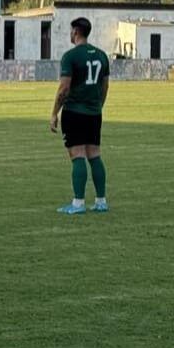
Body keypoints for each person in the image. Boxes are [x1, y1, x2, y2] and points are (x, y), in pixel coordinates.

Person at [50, 17, 111, 215]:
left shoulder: (70, 57)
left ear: (76, 32)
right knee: (94, 154)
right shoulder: (102, 56)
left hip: (75, 112)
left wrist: (54, 113)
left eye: (70, 31)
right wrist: (97, 106)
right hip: (94, 113)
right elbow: (105, 86)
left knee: (77, 155)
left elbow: (64, 88)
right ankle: (101, 201)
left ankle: (78, 203)